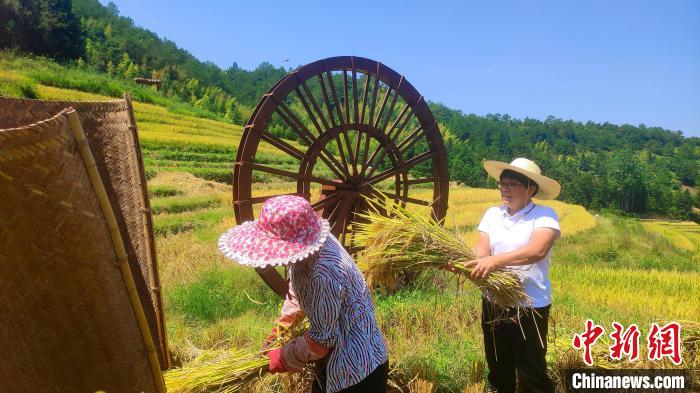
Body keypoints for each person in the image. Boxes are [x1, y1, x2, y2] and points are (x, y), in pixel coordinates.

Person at [218, 195, 389, 393]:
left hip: (358, 372)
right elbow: (299, 290)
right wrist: (281, 328)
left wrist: (283, 356)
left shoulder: (324, 274)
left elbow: (320, 343)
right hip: (337, 364)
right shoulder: (310, 245)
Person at [453, 158, 562, 393]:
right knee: (498, 370)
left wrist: (495, 261)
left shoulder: (544, 215)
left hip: (530, 306)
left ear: (530, 188)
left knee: (531, 374)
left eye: (512, 184)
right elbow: (482, 250)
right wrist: (467, 265)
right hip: (495, 303)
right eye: (502, 183)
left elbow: (537, 250)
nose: (505, 189)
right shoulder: (493, 214)